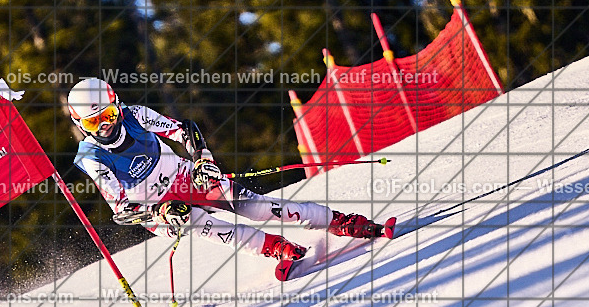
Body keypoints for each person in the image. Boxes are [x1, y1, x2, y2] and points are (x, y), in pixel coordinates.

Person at [68, 78, 394, 280]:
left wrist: (201, 160)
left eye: (109, 115)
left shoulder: (134, 115)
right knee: (213, 228)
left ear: (116, 105)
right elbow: (122, 209)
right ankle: (279, 249)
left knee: (259, 208)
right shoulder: (90, 157)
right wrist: (161, 212)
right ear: (80, 123)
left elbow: (183, 131)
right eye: (96, 123)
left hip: (184, 176)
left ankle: (343, 222)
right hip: (157, 208)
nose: (106, 126)